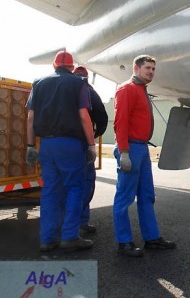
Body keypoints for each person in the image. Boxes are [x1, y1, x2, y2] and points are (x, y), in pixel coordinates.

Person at [25, 50, 97, 252]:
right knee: (75, 188)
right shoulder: (78, 84)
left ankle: (47, 239)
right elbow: (84, 116)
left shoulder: (38, 84)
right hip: (70, 143)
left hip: (46, 144)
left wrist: (31, 146)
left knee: (50, 190)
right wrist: (91, 145)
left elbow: (30, 118)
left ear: (54, 66)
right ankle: (69, 237)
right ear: (72, 68)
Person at [113, 54, 176, 257]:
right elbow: (120, 123)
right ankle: (124, 242)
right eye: (147, 68)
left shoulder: (142, 90)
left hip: (141, 149)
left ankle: (151, 238)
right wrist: (123, 152)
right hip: (130, 149)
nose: (151, 72)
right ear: (136, 68)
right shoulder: (126, 89)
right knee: (125, 197)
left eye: (153, 69)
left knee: (147, 196)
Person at [72, 66, 108, 234]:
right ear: (86, 76)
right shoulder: (87, 90)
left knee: (64, 184)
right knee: (86, 182)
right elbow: (101, 114)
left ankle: (64, 223)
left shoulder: (61, 88)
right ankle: (80, 221)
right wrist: (96, 133)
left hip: (59, 142)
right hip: (82, 142)